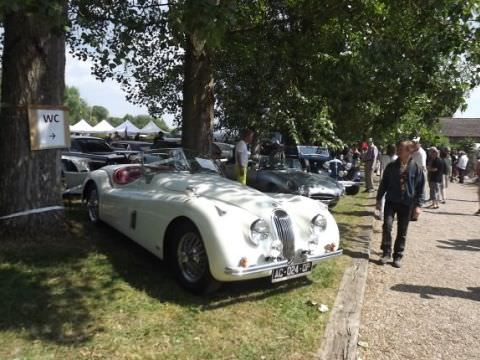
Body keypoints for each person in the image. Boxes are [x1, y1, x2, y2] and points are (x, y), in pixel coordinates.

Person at [376, 140, 424, 268]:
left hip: (407, 204)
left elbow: (420, 189)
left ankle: (398, 255)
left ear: (409, 151)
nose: (397, 151)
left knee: (402, 231)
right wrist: (379, 199)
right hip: (391, 201)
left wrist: (418, 206)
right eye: (398, 149)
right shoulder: (391, 166)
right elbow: (384, 183)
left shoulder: (417, 168)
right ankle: (386, 253)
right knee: (387, 226)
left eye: (400, 149)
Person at [411, 137, 427, 202]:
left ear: (418, 144)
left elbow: (422, 166)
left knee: (421, 187)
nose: (413, 145)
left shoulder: (421, 153)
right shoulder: (415, 151)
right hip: (414, 171)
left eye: (414, 144)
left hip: (420, 171)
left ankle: (420, 201)